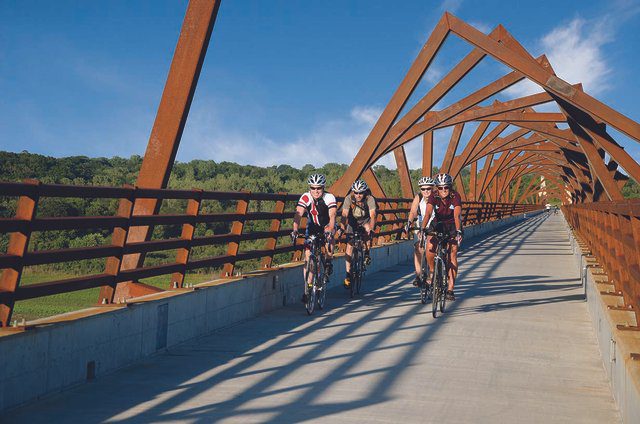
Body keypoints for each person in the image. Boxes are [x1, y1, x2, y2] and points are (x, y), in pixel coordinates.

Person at [292, 173, 337, 303]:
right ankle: (308, 288)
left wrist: (330, 229)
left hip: (327, 224)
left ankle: (328, 261)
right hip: (312, 226)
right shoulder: (306, 197)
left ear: (323, 188)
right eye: (313, 188)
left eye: (319, 188)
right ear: (309, 188)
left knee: (330, 236)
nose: (316, 191)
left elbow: (333, 215)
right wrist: (295, 229)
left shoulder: (329, 197)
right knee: (308, 256)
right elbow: (298, 214)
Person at [420, 173, 463, 301]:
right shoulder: (434, 196)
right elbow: (428, 213)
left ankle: (450, 289)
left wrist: (459, 231)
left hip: (452, 225)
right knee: (430, 245)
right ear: (437, 188)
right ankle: (433, 271)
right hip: (438, 223)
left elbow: (457, 215)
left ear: (450, 187)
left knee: (452, 254)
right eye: (440, 188)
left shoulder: (455, 196)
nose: (443, 190)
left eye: (446, 187)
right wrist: (423, 228)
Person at [339, 179, 377, 289]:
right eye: (356, 192)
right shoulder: (348, 198)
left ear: (365, 192)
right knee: (350, 246)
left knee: (367, 233)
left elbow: (373, 215)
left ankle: (367, 253)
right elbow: (344, 214)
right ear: (353, 192)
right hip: (352, 221)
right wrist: (342, 227)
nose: (358, 195)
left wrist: (371, 228)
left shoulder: (370, 199)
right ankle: (347, 275)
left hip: (365, 220)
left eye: (361, 192)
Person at [405, 176, 436, 286]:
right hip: (421, 225)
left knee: (432, 249)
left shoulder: (436, 197)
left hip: (434, 225)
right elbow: (413, 212)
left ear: (433, 188)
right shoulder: (418, 197)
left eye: (428, 188)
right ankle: (418, 275)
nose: (426, 191)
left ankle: (432, 274)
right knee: (418, 248)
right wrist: (409, 223)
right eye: (423, 189)